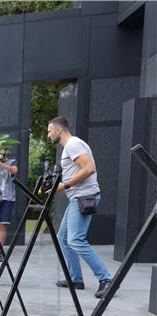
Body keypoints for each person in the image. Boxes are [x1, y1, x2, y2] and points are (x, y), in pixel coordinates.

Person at [47, 116, 113, 299]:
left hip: (84, 198)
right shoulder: (70, 146)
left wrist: (65, 185)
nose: (48, 135)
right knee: (63, 238)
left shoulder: (73, 144)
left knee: (76, 239)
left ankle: (106, 279)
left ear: (59, 130)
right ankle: (76, 279)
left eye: (49, 130)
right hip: (77, 198)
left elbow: (89, 168)